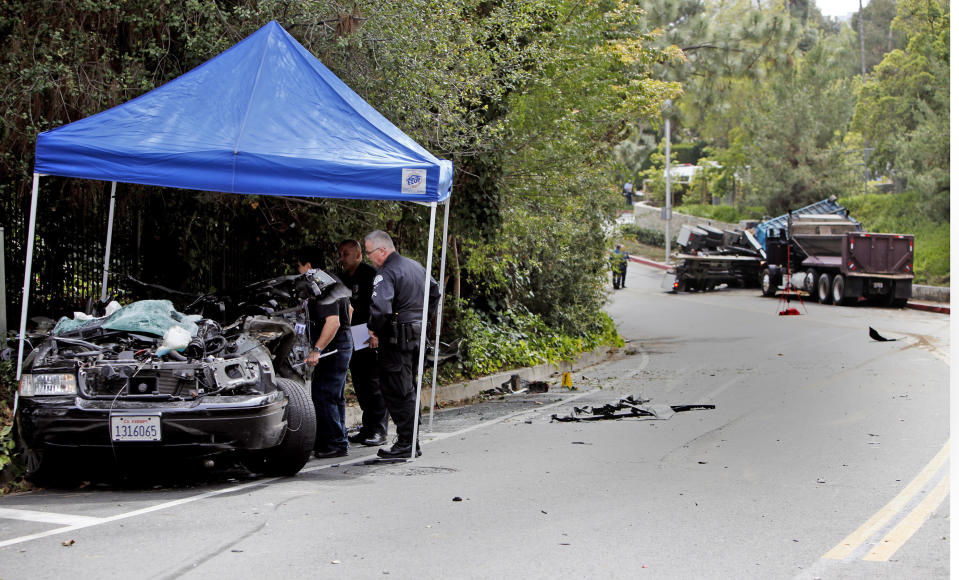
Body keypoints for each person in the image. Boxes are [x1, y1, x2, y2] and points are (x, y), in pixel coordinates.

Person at [364, 230, 440, 459]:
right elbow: (435, 292)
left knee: (397, 390)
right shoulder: (416, 266)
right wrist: (423, 319)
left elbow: (381, 308)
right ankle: (410, 442)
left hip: (396, 341)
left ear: (382, 250)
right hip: (417, 338)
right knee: (409, 389)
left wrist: (374, 328)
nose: (369, 258)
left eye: (369, 253)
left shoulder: (387, 272)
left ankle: (406, 443)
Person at [296, 247, 354, 459]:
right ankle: (338, 438)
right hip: (343, 343)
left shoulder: (320, 286)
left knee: (323, 394)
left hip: (333, 346)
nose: (299, 271)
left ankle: (334, 443)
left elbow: (333, 321)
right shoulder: (333, 279)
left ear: (308, 266)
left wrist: (317, 349)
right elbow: (349, 311)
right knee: (334, 395)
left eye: (300, 266)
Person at [337, 239, 389, 447]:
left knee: (373, 383)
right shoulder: (342, 279)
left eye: (346, 254)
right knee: (359, 383)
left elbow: (379, 305)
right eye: (340, 254)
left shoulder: (370, 276)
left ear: (358, 255)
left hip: (369, 334)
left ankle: (379, 429)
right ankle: (367, 427)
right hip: (351, 336)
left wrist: (376, 331)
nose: (342, 258)